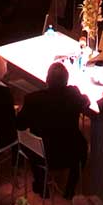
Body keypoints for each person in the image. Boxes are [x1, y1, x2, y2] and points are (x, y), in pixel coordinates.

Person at [20, 61, 91, 197]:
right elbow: (86, 102)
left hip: (41, 154)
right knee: (83, 146)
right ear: (66, 81)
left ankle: (41, 185)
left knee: (29, 142)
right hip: (70, 153)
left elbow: (20, 125)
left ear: (47, 80)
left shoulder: (32, 99)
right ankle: (70, 189)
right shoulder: (73, 94)